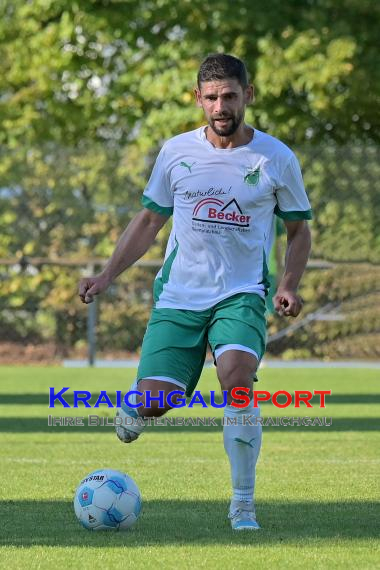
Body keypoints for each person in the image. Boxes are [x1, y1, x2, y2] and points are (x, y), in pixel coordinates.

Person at [78, 53, 312, 531]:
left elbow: (298, 229)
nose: (220, 105)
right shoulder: (175, 152)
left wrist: (287, 283)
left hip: (241, 293)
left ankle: (243, 503)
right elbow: (148, 221)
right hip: (179, 297)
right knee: (158, 398)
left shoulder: (275, 158)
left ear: (248, 95)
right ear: (198, 99)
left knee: (238, 380)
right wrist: (106, 276)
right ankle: (139, 408)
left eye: (229, 95)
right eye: (211, 97)